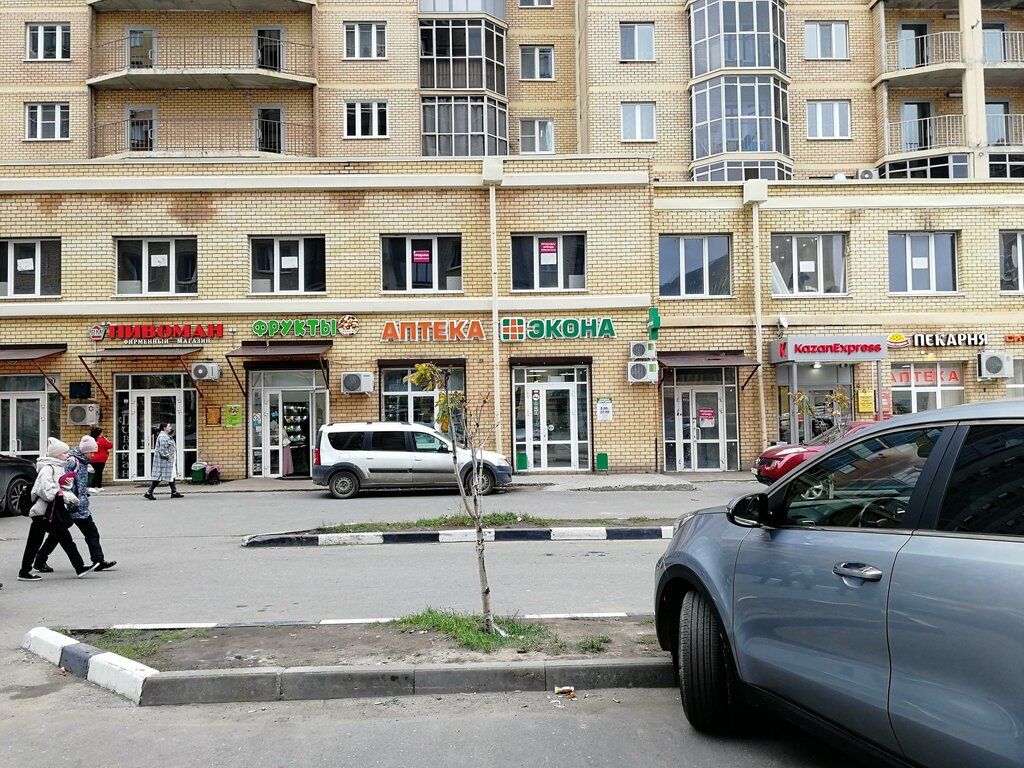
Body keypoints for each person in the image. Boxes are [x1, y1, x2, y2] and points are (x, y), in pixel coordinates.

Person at [34, 435, 116, 574]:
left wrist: (85, 492)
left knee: (88, 532)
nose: (93, 455)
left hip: (80, 504)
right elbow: (63, 482)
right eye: (91, 452)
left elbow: (79, 482)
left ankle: (98, 560)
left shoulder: (83, 461)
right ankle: (40, 560)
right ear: (85, 451)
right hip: (70, 505)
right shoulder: (72, 462)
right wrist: (69, 497)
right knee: (59, 535)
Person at [19, 438, 97, 581]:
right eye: (64, 453)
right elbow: (47, 491)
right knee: (36, 542)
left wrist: (66, 486)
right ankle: (25, 571)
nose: (67, 455)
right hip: (43, 512)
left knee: (63, 540)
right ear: (56, 454)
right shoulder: (48, 469)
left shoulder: (58, 467)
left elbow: (57, 488)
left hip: (52, 510)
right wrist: (65, 495)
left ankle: (79, 567)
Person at [144, 423, 183, 500]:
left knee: (171, 475)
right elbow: (163, 450)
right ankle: (149, 492)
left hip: (168, 460)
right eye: (169, 426)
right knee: (160, 477)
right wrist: (168, 457)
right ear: (164, 428)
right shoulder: (163, 437)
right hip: (164, 461)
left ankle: (174, 492)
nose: (170, 427)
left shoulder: (166, 436)